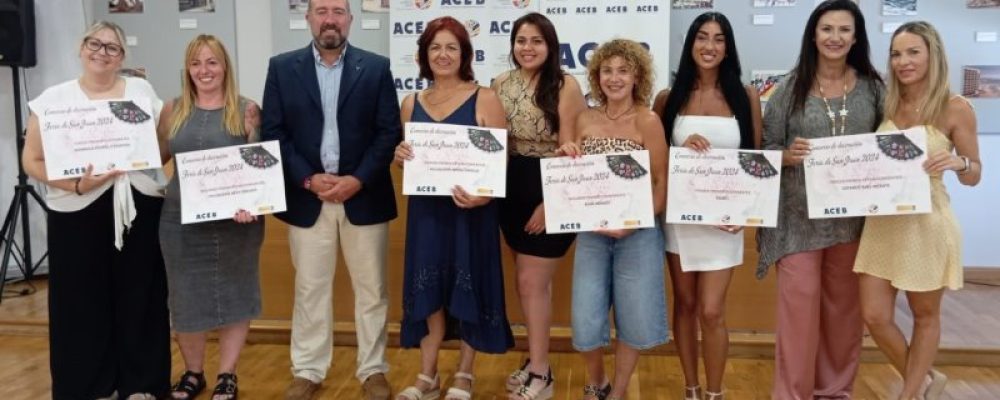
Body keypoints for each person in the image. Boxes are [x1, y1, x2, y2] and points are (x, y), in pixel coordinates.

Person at [20, 21, 170, 400]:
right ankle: (88, 387)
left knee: (141, 297)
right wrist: (75, 184)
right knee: (80, 303)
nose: (102, 52)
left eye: (112, 48)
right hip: (75, 209)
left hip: (135, 203)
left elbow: (160, 148)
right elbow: (32, 161)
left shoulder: (141, 91)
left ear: (123, 57)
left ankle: (142, 386)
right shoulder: (53, 99)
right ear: (81, 48)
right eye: (95, 43)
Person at [260, 0, 401, 398]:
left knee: (372, 290)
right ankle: (307, 369)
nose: (329, 20)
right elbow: (273, 133)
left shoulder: (375, 68)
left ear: (350, 20)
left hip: (363, 197)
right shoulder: (282, 67)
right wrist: (307, 179)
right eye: (321, 11)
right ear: (308, 18)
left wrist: (357, 179)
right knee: (310, 288)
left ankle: (372, 369)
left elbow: (388, 133)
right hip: (310, 199)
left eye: (338, 11)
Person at [755, 1, 884, 398]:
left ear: (856, 37)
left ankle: (834, 392)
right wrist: (785, 156)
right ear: (813, 34)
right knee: (798, 314)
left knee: (844, 315)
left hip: (852, 224)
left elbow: (887, 145)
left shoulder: (873, 89)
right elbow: (767, 148)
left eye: (844, 30)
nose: (835, 37)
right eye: (827, 29)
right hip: (797, 222)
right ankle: (792, 393)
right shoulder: (786, 89)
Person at [854, 21, 981, 400]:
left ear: (932, 55)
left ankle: (909, 395)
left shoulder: (955, 107)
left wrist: (958, 164)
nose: (903, 61)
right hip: (882, 224)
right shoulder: (888, 103)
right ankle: (925, 380)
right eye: (896, 54)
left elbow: (975, 173)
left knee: (925, 317)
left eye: (913, 52)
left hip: (928, 224)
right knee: (874, 316)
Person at [392, 16, 514, 400]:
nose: (442, 55)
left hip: (471, 212)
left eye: (451, 48)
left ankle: (464, 373)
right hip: (427, 213)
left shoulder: (486, 98)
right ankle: (427, 376)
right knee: (428, 287)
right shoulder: (411, 102)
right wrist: (400, 156)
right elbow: (410, 158)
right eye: (435, 48)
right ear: (423, 55)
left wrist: (485, 196)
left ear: (464, 54)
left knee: (469, 286)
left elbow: (502, 159)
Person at [651, 12, 762, 400]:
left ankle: (715, 392)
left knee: (712, 311)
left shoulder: (746, 97)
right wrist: (680, 148)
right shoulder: (668, 98)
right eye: (702, 37)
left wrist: (746, 214)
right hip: (681, 218)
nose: (709, 46)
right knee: (685, 304)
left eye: (718, 39)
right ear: (690, 44)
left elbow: (755, 161)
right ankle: (691, 388)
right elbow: (656, 160)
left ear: (728, 47)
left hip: (724, 223)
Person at [560, 39, 668, 400]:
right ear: (596, 76)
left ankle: (618, 391)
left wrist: (634, 222)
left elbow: (661, 182)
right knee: (586, 315)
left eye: (623, 70)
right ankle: (597, 381)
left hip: (637, 234)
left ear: (637, 75)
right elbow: (572, 174)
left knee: (634, 317)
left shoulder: (648, 120)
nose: (615, 78)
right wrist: (568, 155)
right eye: (607, 70)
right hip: (592, 232)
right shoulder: (584, 119)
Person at [157, 34, 262, 400]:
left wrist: (254, 203)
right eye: (197, 63)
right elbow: (155, 159)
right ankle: (193, 373)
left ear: (225, 67)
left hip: (237, 224)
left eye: (212, 62)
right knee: (185, 299)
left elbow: (258, 168)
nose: (205, 70)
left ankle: (227, 374)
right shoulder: (172, 109)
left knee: (235, 294)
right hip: (180, 222)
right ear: (187, 69)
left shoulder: (248, 109)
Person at [490, 12, 587, 400]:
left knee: (532, 282)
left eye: (536, 41)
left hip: (552, 188)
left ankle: (542, 375)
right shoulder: (499, 83)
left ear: (551, 46)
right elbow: (493, 140)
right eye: (521, 40)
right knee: (528, 284)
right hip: (510, 187)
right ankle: (534, 361)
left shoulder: (565, 85)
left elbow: (569, 148)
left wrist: (553, 203)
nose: (527, 48)